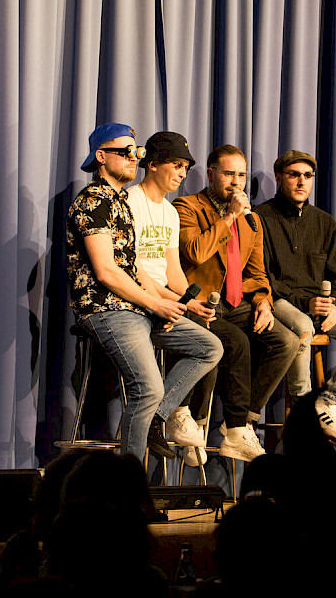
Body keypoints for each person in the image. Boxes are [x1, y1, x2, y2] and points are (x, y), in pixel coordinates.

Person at [66, 123, 221, 465]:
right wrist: (155, 304)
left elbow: (136, 269)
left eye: (135, 152)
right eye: (124, 152)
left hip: (135, 306)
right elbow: (107, 272)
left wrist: (174, 304)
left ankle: (156, 417)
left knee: (210, 346)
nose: (133, 158)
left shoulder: (121, 202)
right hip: (106, 309)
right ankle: (129, 483)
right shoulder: (93, 200)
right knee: (148, 387)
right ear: (101, 157)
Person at [253, 150, 336, 443]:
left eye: (307, 176)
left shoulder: (324, 222)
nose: (301, 182)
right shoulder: (261, 217)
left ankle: (327, 402)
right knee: (303, 327)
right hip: (282, 303)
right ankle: (303, 412)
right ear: (279, 178)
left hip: (321, 308)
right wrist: (305, 303)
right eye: (294, 175)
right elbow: (262, 276)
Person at [174, 144, 294, 461]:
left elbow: (257, 272)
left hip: (234, 302)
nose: (236, 182)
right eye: (229, 174)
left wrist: (264, 301)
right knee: (228, 342)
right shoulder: (187, 207)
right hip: (200, 301)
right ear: (211, 174)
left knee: (286, 341)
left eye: (241, 175)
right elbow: (195, 252)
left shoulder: (251, 220)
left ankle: (241, 423)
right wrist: (229, 217)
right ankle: (196, 424)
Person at [127, 131, 217, 465]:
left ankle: (159, 415)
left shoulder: (169, 212)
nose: (182, 173)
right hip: (136, 301)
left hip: (162, 301)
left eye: (185, 168)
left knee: (214, 345)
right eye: (176, 165)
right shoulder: (129, 202)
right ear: (152, 164)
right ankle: (161, 418)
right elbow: (132, 268)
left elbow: (173, 271)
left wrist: (194, 303)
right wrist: (168, 303)